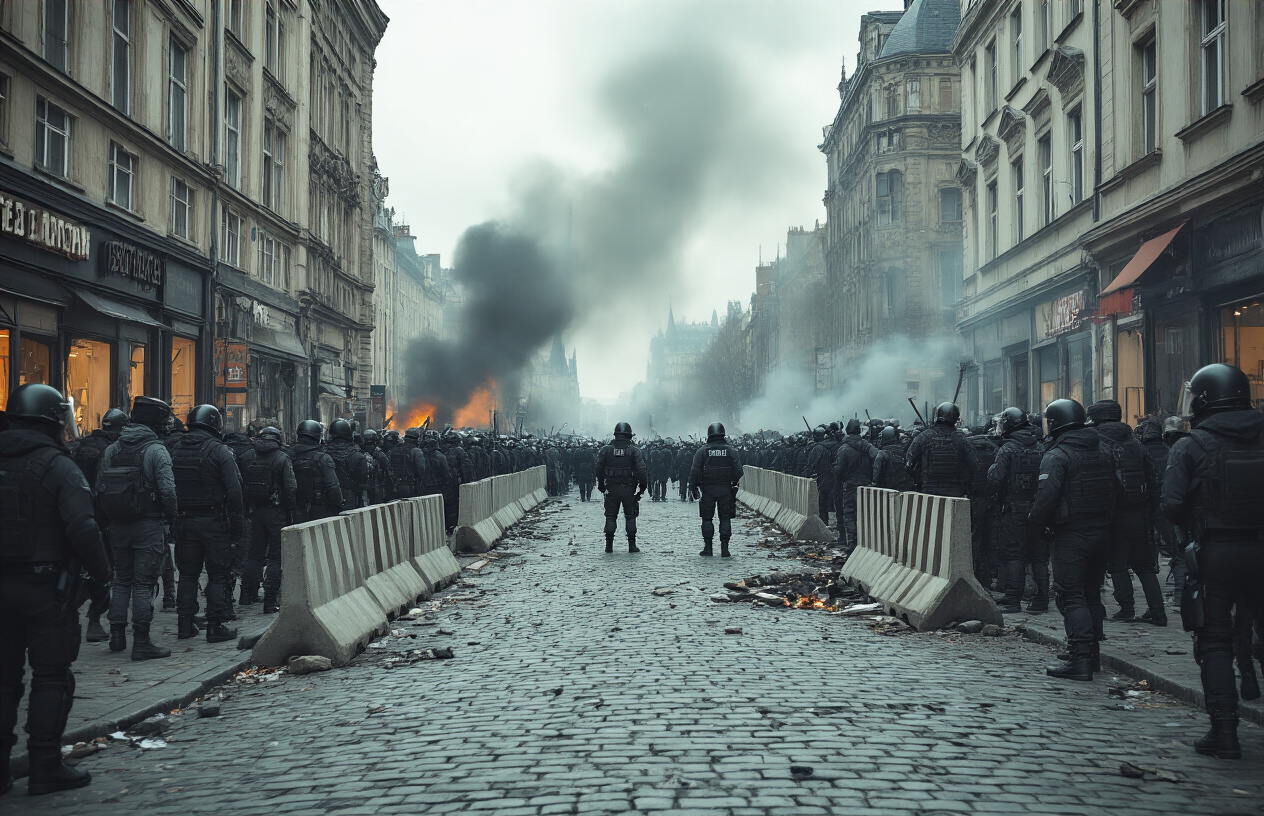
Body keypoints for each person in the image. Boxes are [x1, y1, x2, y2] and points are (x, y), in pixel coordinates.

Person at [0, 384, 112, 795]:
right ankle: (45, 762)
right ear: (51, 420)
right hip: (44, 587)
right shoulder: (57, 465)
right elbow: (83, 527)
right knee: (50, 677)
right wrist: (102, 574)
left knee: (3, 679)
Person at [1161, 363, 1264, 760]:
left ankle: (1224, 732)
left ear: (1202, 399)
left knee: (1215, 642)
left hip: (1215, 552)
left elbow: (1171, 504)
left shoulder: (1191, 444)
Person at [1029, 398, 1119, 681]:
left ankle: (1079, 659)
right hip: (1102, 533)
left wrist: (1034, 528)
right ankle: (1090, 656)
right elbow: (1120, 491)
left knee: (1070, 594)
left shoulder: (1058, 455)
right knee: (1092, 592)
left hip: (1071, 534)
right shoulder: (1104, 450)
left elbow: (1045, 499)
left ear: (1054, 423)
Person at [96, 399, 179, 660]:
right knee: (143, 584)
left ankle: (117, 637)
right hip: (149, 525)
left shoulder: (112, 449)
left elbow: (100, 488)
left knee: (121, 580)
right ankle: (141, 641)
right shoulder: (156, 450)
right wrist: (171, 516)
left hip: (118, 526)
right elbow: (167, 490)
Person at [169, 405, 245, 643]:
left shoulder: (174, 450)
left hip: (184, 521)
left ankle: (184, 624)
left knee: (188, 574)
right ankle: (214, 625)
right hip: (213, 522)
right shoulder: (220, 451)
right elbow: (234, 491)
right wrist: (237, 526)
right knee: (218, 575)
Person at [1088, 400, 1164, 625]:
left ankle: (1127, 608)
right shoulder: (1136, 442)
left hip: (1111, 513)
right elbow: (1153, 479)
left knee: (1118, 563)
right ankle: (1158, 611)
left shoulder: (1095, 441)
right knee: (1144, 565)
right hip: (1138, 512)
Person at [71, 407, 127, 644]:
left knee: (81, 569)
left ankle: (76, 612)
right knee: (103, 570)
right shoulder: (112, 450)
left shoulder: (86, 445)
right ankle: (94, 618)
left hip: (77, 514)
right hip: (103, 518)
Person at [987, 407, 1048, 613]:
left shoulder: (1007, 449)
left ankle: (1013, 599)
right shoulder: (1041, 448)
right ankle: (1042, 600)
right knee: (1039, 555)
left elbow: (996, 481)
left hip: (1014, 508)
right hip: (1039, 507)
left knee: (1014, 555)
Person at [238, 427, 297, 613]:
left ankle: (245, 596)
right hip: (276, 513)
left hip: (255, 513)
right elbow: (291, 487)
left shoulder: (247, 456)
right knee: (275, 557)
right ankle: (270, 601)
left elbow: (239, 484)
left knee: (254, 554)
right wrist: (292, 511)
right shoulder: (281, 458)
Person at [689, 422, 744, 557]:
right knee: (725, 519)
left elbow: (695, 471)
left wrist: (693, 488)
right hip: (725, 489)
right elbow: (738, 471)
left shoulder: (702, 451)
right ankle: (725, 549)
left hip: (707, 490)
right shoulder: (731, 451)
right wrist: (733, 483)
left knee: (707, 519)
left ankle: (708, 548)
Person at [595, 422, 648, 553]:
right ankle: (631, 545)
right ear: (629, 435)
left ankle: (609, 545)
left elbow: (598, 468)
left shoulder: (605, 450)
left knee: (610, 516)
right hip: (629, 488)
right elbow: (641, 471)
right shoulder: (634, 451)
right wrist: (642, 488)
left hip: (611, 488)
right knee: (630, 516)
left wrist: (601, 485)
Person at [905, 402, 976, 499]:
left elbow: (909, 463)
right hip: (955, 492)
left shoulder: (924, 436)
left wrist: (920, 479)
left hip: (928, 491)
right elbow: (973, 465)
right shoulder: (961, 439)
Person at [833, 419, 878, 549]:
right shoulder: (868, 446)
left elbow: (839, 471)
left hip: (851, 486)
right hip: (867, 486)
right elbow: (877, 459)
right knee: (866, 514)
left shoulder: (844, 449)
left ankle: (853, 543)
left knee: (849, 514)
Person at [290, 420, 344, 522]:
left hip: (293, 509)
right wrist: (339, 506)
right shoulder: (323, 458)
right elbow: (333, 486)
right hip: (318, 510)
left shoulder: (287, 455)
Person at [326, 419, 371, 510]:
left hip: (326, 501)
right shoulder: (357, 455)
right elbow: (363, 480)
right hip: (349, 500)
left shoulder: (323, 453)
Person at [803, 425, 840, 527]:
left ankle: (825, 525)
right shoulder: (840, 445)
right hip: (839, 480)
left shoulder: (818, 448)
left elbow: (810, 465)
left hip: (824, 479)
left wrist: (805, 477)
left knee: (823, 503)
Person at [872, 425, 915, 492]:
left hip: (889, 488)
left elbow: (876, 469)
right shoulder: (904, 451)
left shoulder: (883, 453)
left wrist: (874, 483)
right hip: (906, 487)